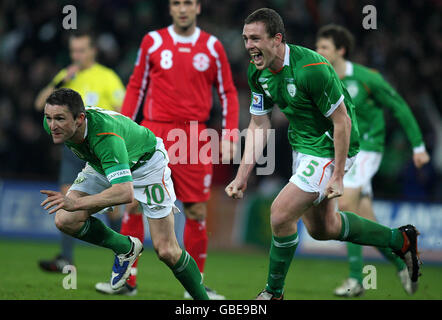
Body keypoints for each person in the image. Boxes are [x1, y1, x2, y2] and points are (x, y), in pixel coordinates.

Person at [225, 8, 422, 300]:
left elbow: (342, 121)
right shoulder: (258, 71)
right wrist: (242, 175)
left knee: (280, 214)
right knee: (324, 228)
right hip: (303, 146)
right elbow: (259, 122)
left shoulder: (312, 68)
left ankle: (273, 293)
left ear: (277, 39)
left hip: (331, 144)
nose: (249, 45)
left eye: (256, 38)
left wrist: (339, 176)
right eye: (245, 38)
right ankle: (401, 240)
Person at [94, 0, 239, 299]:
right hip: (152, 130)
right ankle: (126, 281)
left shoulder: (212, 46)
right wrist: (121, 127)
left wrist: (229, 134)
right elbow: (136, 85)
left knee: (196, 209)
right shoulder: (153, 41)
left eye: (188, 3)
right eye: (176, 3)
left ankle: (195, 287)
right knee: (133, 202)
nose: (182, 8)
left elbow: (227, 91)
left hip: (194, 136)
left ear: (198, 7)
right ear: (170, 8)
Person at [41, 88, 210, 300]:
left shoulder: (105, 136)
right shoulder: (56, 127)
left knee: (167, 251)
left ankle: (203, 301)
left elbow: (124, 192)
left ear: (80, 119)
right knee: (65, 219)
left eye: (59, 119)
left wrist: (76, 203)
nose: (52, 125)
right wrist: (75, 205)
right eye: (48, 118)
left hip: (147, 166)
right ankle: (126, 248)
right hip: (101, 165)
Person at [315, 24, 430, 297]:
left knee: (343, 204)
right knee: (364, 222)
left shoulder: (367, 78)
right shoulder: (322, 79)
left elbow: (398, 106)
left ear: (341, 50)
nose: (318, 51)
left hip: (367, 148)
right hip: (344, 150)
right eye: (317, 47)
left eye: (324, 48)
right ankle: (402, 260)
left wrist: (418, 146)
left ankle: (356, 280)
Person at [35, 31, 126, 272]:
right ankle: (66, 258)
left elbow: (124, 112)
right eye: (73, 50)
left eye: (81, 50)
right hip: (73, 151)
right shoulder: (66, 76)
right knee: (67, 200)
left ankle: (123, 259)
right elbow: (38, 104)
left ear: (93, 51)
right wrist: (59, 82)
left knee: (114, 209)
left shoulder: (108, 78)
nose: (77, 55)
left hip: (101, 152)